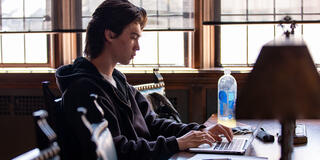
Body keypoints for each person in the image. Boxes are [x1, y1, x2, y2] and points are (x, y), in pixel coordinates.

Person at [55, 0, 233, 160]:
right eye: (133, 37)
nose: (138, 47)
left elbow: (153, 124)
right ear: (109, 35)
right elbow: (118, 151)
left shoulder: (118, 81)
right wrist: (177, 143)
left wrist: (199, 131)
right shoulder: (83, 91)